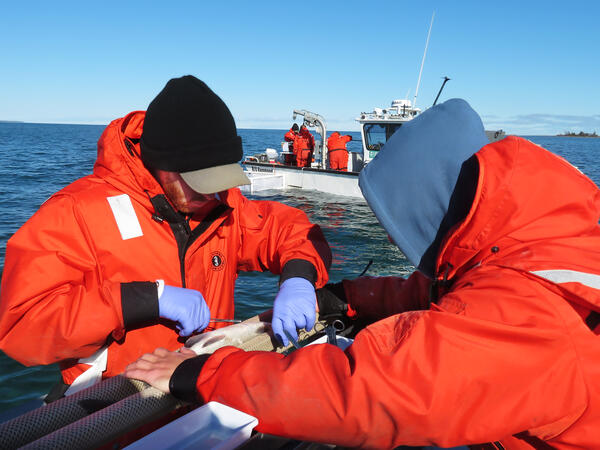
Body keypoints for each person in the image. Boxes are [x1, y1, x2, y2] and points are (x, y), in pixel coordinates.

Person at [125, 98, 600, 449]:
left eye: (395, 223)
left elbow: (371, 391)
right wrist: (343, 297)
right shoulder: (541, 243)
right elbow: (451, 294)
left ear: (431, 203)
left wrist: (205, 373)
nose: (394, 241)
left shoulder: (534, 315)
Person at [0, 75, 331, 397]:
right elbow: (23, 326)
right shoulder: (75, 212)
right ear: (159, 162)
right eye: (200, 180)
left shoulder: (221, 203)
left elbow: (290, 231)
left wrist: (298, 277)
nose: (214, 193)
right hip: (122, 406)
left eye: (220, 179)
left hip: (203, 390)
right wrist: (143, 300)